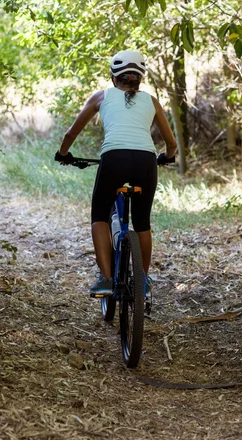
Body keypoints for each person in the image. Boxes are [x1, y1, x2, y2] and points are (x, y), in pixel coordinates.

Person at [55, 50, 177, 297]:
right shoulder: (152, 101)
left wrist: (64, 154)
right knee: (142, 221)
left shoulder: (101, 97)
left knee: (100, 214)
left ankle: (106, 278)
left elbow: (70, 134)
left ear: (114, 77)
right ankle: (142, 279)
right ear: (139, 78)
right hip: (145, 161)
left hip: (114, 159)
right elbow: (171, 142)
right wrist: (167, 156)